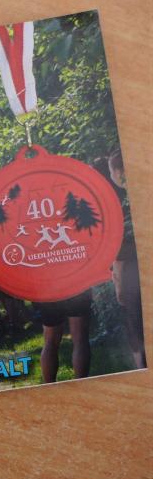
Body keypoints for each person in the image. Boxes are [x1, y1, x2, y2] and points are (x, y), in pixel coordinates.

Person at [108, 149, 145, 368]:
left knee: (138, 330)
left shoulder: (121, 207)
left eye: (111, 171)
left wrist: (119, 286)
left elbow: (120, 253)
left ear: (120, 172)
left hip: (133, 277)